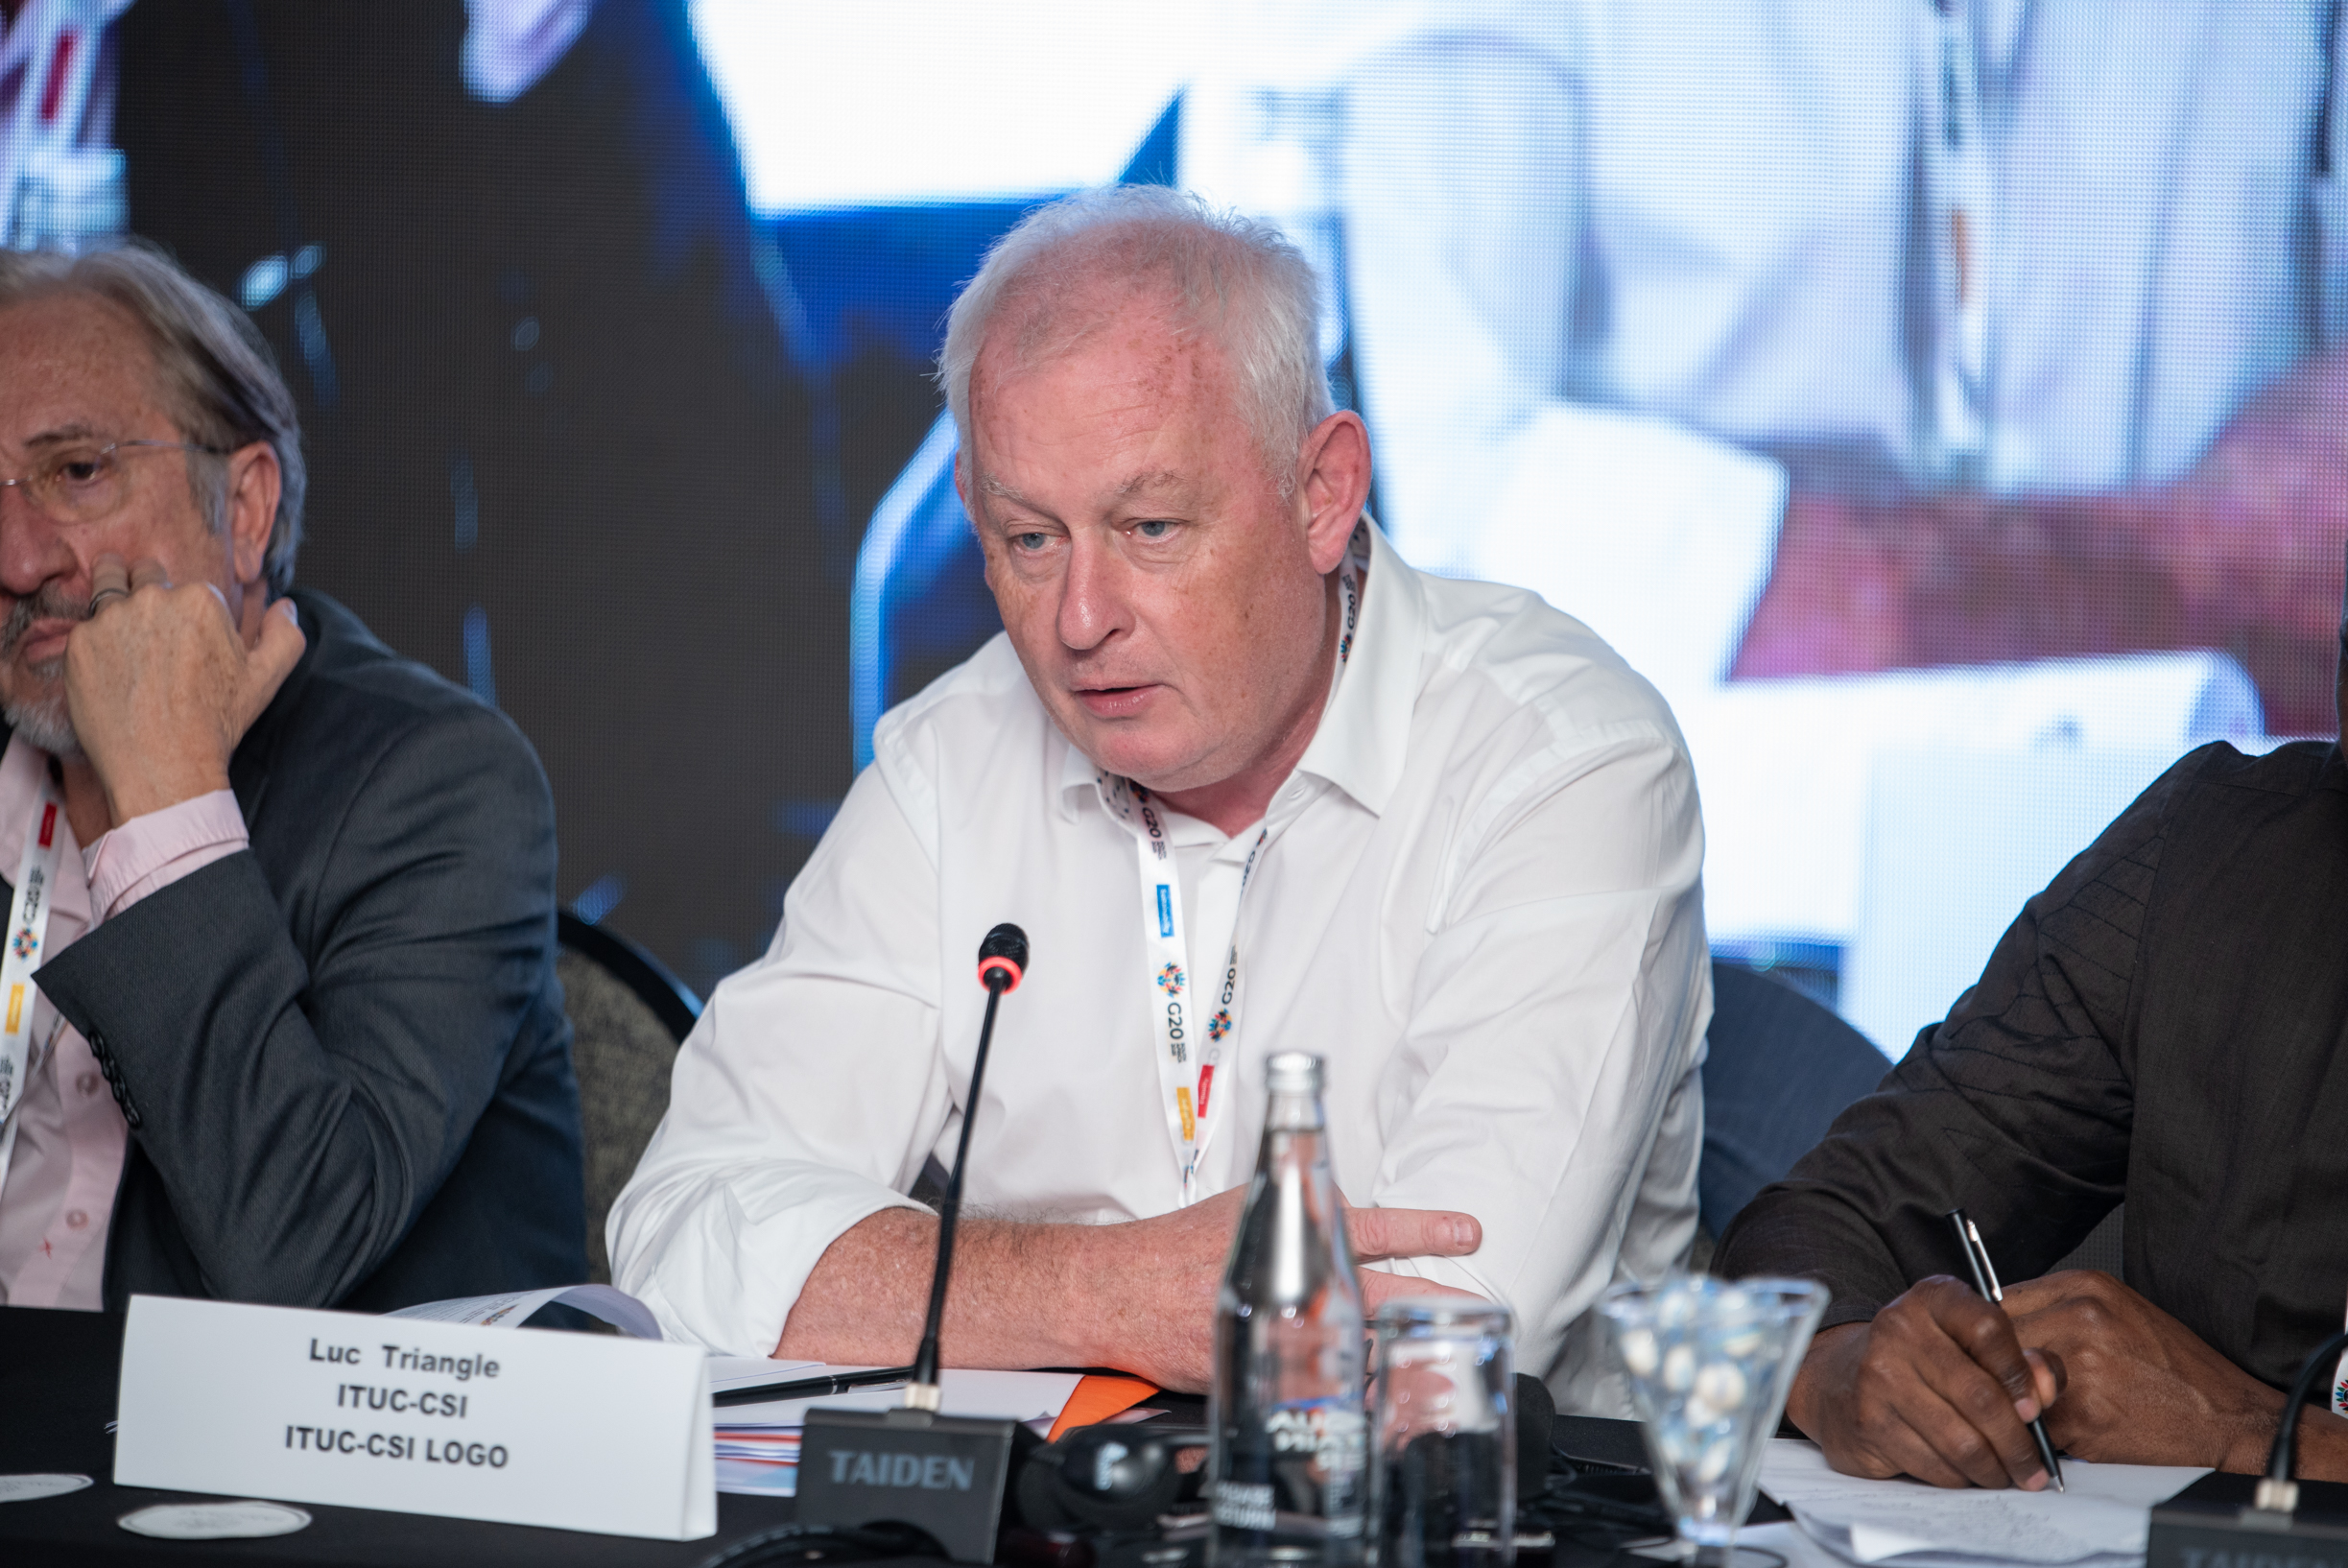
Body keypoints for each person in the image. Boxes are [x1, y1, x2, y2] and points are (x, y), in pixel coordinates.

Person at [611, 185, 1710, 1405]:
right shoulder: (951, 758)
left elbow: (1438, 1340)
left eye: (1148, 527)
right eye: (1030, 540)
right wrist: (1105, 1290)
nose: (1080, 620)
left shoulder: (1562, 763)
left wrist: (961, 1294)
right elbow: (683, 1227)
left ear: (1321, 492)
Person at [0, 241, 583, 1312]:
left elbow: (289, 1246)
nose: (19, 559)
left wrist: (163, 797)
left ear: (245, 508)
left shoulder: (438, 783)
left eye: (77, 472)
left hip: (275, 1418)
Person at [1713, 626, 2348, 1485]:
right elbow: (1841, 1210)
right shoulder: (2208, 852)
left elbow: (2235, 1428)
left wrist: (2252, 1434)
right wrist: (1842, 1368)